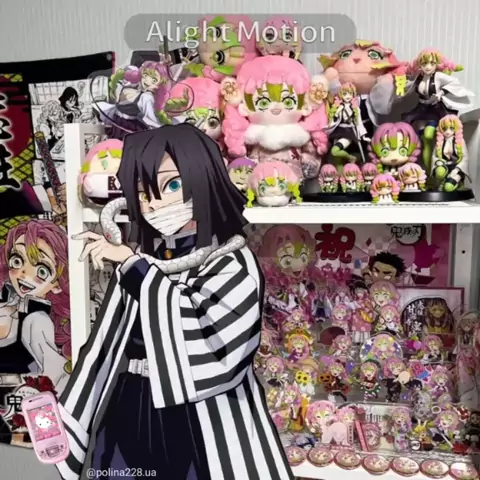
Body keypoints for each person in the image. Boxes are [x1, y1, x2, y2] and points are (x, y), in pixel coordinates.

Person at [56, 124, 293, 480]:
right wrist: (69, 420)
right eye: (143, 193)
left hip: (202, 416)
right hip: (130, 404)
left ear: (203, 180)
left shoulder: (232, 263)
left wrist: (135, 269)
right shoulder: (140, 258)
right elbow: (103, 348)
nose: (156, 204)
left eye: (171, 186)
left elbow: (216, 348)